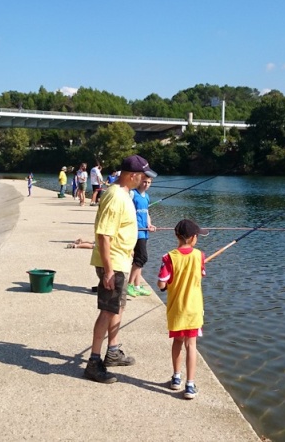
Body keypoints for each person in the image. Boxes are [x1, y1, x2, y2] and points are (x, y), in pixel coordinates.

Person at [84, 155, 158, 384]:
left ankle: (113, 352)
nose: (145, 179)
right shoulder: (115, 196)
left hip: (121, 262)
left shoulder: (125, 194)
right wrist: (107, 271)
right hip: (113, 264)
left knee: (117, 308)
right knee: (107, 311)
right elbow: (104, 235)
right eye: (143, 176)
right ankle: (94, 363)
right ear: (132, 175)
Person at [156, 219, 209, 399]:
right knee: (191, 345)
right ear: (194, 238)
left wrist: (166, 286)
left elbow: (161, 283)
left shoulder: (168, 257)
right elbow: (200, 275)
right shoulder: (200, 256)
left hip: (176, 309)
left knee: (178, 342)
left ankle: (176, 378)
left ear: (176, 236)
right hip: (193, 309)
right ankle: (190, 385)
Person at [127, 176, 155, 297]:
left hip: (144, 231)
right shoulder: (133, 194)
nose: (146, 184)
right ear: (139, 181)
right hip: (136, 231)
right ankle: (129, 284)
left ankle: (137, 286)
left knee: (139, 258)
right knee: (142, 257)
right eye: (144, 181)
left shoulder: (147, 197)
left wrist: (149, 224)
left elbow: (147, 213)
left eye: (149, 182)